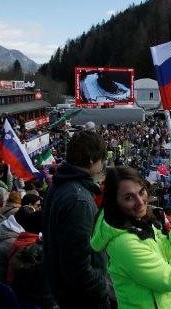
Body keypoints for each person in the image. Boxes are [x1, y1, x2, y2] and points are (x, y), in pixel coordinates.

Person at [90, 166, 171, 309]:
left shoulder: (142, 224)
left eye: (141, 192)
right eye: (128, 197)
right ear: (114, 202)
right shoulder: (125, 244)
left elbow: (169, 254)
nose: (140, 202)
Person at [42, 130, 112, 309]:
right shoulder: (78, 200)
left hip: (65, 292)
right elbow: (78, 267)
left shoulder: (60, 186)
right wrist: (103, 288)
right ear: (91, 159)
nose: (103, 163)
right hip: (84, 300)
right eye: (101, 158)